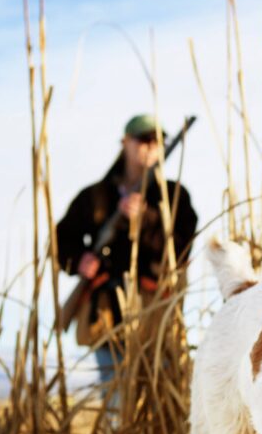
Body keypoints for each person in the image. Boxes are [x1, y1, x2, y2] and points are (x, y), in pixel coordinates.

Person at [57, 114, 199, 385]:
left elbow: (183, 244)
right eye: (143, 139)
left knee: (162, 408)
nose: (150, 146)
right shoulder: (96, 196)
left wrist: (146, 218)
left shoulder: (174, 195)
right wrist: (79, 261)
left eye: (157, 140)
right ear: (125, 143)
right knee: (116, 407)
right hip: (107, 317)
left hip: (158, 319)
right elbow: (61, 240)